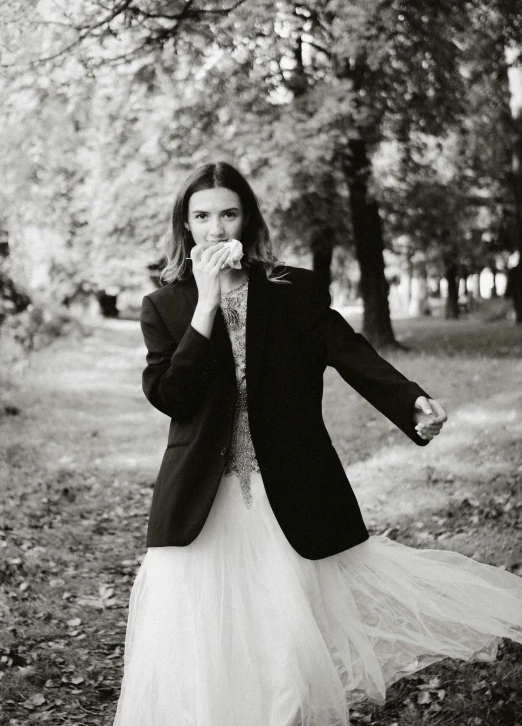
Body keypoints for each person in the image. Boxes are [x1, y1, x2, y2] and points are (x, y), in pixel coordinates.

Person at [113, 162, 522, 726]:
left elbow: (351, 353)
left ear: (247, 219)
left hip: (289, 492)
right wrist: (205, 306)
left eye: (228, 213)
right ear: (185, 226)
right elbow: (172, 396)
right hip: (200, 506)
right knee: (208, 645)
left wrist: (412, 403)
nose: (215, 228)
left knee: (286, 642)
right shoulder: (163, 306)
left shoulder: (293, 290)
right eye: (201, 216)